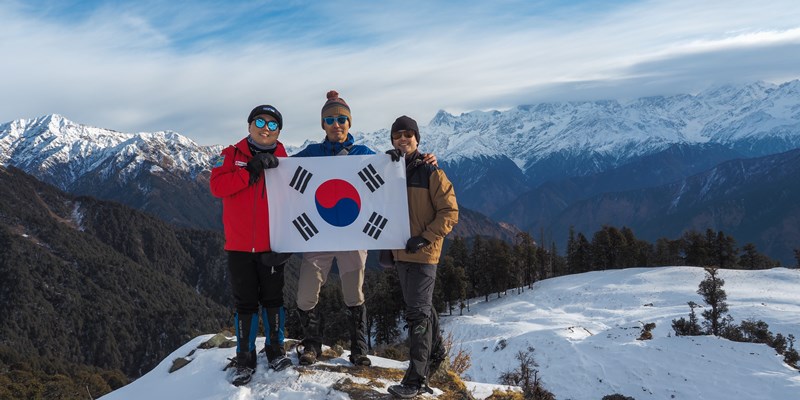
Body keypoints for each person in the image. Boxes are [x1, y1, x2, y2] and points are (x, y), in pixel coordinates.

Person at [293, 90, 439, 368]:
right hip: (318, 238)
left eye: (342, 119)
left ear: (350, 123)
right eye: (331, 119)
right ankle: (311, 345)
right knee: (305, 295)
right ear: (322, 124)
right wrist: (268, 165)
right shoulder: (310, 154)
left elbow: (392, 181)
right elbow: (284, 174)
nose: (337, 124)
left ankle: (358, 350)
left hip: (353, 237)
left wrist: (424, 160)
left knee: (354, 295)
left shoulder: (364, 155)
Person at [209, 104, 293, 386]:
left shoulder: (285, 159)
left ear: (279, 131)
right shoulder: (231, 155)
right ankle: (245, 357)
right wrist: (248, 173)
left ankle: (275, 350)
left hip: (273, 245)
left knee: (273, 300)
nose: (265, 128)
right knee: (245, 303)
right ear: (249, 126)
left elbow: (296, 201)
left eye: (272, 125)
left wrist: (290, 240)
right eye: (260, 122)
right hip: (240, 246)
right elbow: (217, 187)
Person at [385, 115, 458, 399]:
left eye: (408, 134)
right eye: (397, 135)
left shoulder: (431, 172)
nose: (403, 139)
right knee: (422, 307)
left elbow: (450, 213)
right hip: (400, 251)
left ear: (417, 139)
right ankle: (436, 354)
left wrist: (425, 237)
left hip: (423, 253)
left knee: (416, 313)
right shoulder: (389, 169)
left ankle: (416, 379)